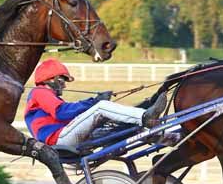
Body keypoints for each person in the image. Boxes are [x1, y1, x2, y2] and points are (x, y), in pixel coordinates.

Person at [25, 59, 169, 147]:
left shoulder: (46, 96)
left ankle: (169, 137)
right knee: (101, 108)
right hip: (58, 139)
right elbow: (62, 113)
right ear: (50, 79)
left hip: (62, 136)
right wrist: (95, 102)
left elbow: (69, 116)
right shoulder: (39, 92)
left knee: (118, 126)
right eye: (62, 80)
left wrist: (93, 103)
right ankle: (145, 117)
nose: (64, 85)